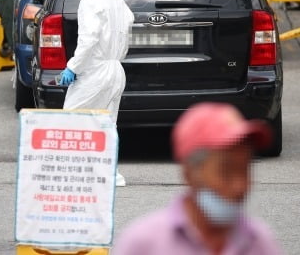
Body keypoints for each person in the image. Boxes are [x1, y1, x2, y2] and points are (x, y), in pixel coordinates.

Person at [112, 102, 282, 255]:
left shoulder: (259, 242)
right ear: (189, 173)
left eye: (245, 170)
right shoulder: (143, 244)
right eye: (225, 172)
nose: (240, 186)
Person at [58, 0, 134, 187]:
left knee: (72, 116)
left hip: (96, 71)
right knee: (108, 122)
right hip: (116, 69)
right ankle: (110, 174)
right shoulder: (117, 0)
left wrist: (73, 66)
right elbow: (128, 25)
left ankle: (72, 173)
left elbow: (89, 39)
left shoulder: (90, 1)